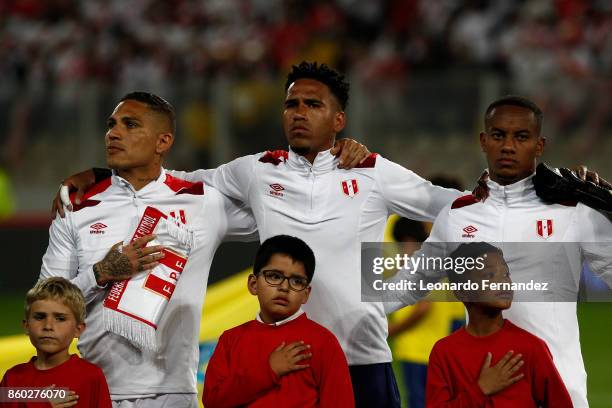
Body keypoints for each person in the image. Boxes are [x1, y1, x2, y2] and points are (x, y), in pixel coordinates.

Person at [52, 64, 602, 407]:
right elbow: (172, 181)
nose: (298, 112)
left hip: (363, 357)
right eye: (291, 103)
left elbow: (451, 204)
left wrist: (537, 195)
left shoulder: (372, 172)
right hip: (288, 355)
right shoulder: (253, 170)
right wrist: (98, 176)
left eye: (313, 104)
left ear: (339, 120)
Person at [387, 95, 612, 407]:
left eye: (521, 136)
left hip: (561, 390)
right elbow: (409, 284)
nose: (508, 146)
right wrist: (338, 315)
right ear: (483, 140)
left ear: (539, 145)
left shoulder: (573, 209)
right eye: (498, 135)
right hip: (485, 391)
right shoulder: (457, 215)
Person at [39, 92, 261, 407]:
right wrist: (101, 273)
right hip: (95, 391)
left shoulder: (203, 201)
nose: (114, 133)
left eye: (130, 125)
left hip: (173, 394)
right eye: (111, 124)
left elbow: (277, 210)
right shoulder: (76, 207)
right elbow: (45, 303)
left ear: (163, 142)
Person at [203, 235, 354, 407]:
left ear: (306, 293)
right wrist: (268, 371)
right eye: (274, 276)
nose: (284, 287)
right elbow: (212, 402)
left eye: (297, 281)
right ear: (253, 284)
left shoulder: (323, 342)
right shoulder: (230, 340)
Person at [426, 242, 573, 407]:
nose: (503, 282)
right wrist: (481, 389)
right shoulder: (444, 352)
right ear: (462, 291)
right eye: (489, 275)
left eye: (506, 274)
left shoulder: (531, 347)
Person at [387, 217, 463, 408]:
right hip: (427, 348)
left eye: (403, 244)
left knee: (419, 402)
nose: (401, 250)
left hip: (418, 350)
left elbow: (423, 307)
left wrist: (392, 329)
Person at [0, 277, 112, 408]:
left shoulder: (91, 376)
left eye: (60, 318)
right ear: (26, 326)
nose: (48, 326)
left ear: (78, 329)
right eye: (40, 317)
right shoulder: (12, 378)